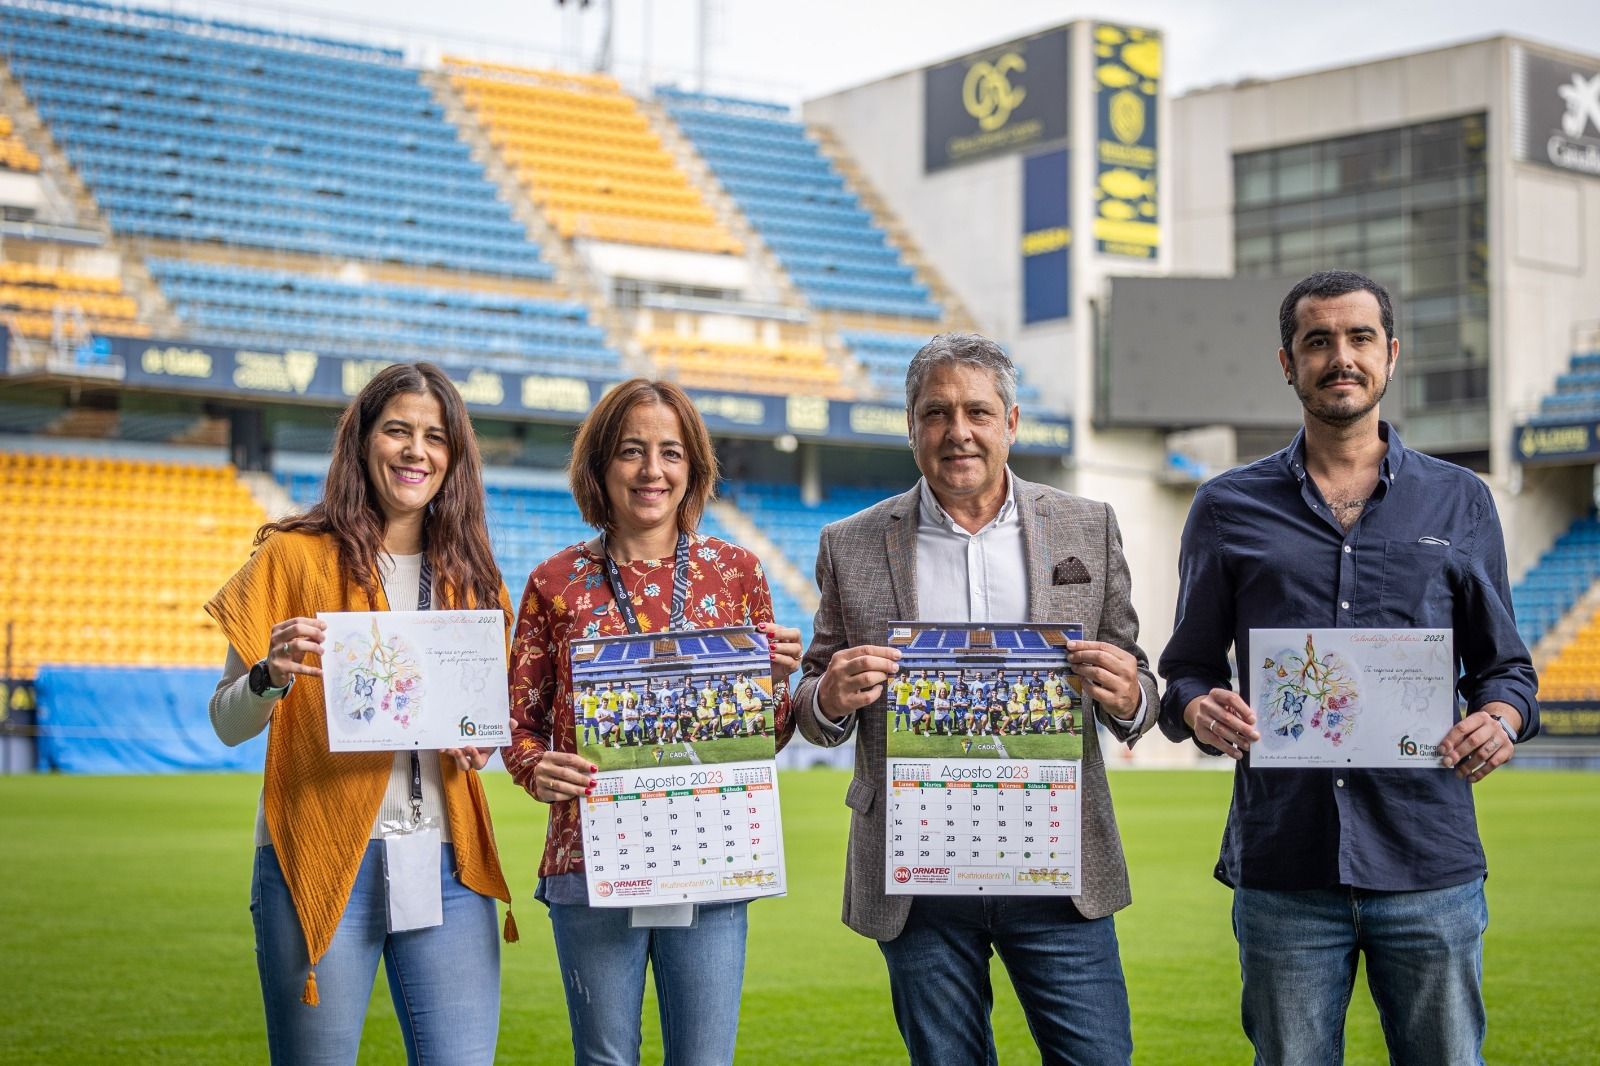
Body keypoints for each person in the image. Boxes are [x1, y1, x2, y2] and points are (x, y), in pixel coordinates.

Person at [1157, 270, 1539, 1065]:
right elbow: (1187, 669)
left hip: (1427, 862)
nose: (1341, 358)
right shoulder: (1225, 506)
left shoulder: (1460, 499)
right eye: (1318, 341)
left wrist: (1501, 719)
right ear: (1287, 363)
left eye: (1360, 338)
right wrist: (1197, 708)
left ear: (1391, 355)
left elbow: (1506, 670)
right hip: (1285, 867)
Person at [796, 332, 1158, 1065]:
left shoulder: (1088, 524)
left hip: (1057, 867)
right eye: (935, 413)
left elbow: (1138, 679)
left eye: (977, 412)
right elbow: (812, 700)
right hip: (919, 873)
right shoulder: (850, 542)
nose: (957, 431)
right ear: (911, 427)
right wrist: (828, 697)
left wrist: (1130, 697)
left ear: (1011, 422)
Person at [204, 361, 514, 1065]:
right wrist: (268, 677)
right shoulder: (290, 558)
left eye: (435, 437)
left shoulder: (475, 577)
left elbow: (481, 724)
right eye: (398, 431)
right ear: (362, 440)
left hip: (448, 864)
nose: (416, 452)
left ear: (454, 457)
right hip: (314, 858)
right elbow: (226, 722)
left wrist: (480, 744)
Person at [503, 378, 802, 1066]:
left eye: (670, 452)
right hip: (591, 857)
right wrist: (533, 767)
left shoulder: (737, 572)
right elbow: (519, 723)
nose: (651, 471)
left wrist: (774, 682)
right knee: (605, 1059)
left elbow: (769, 736)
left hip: (713, 852)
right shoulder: (554, 581)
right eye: (631, 450)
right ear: (600, 465)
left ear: (693, 467)